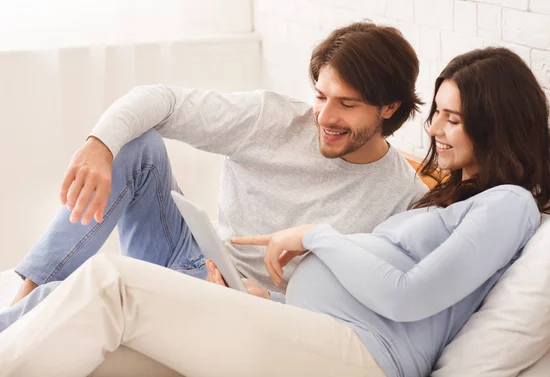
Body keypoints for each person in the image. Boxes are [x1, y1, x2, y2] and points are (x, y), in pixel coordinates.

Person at [0, 47, 550, 377]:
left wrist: (316, 236)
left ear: (498, 123)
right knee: (108, 349)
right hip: (299, 323)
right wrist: (269, 299)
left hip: (359, 357)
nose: (433, 130)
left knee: (112, 283)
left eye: (452, 119)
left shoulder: (507, 204)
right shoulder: (451, 201)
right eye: (436, 114)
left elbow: (406, 296)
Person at [4, 20, 427, 319]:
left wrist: (268, 304)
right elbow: (162, 100)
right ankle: (26, 297)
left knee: (83, 298)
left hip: (252, 304)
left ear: (389, 107)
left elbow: (372, 302)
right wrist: (99, 144)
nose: (325, 116)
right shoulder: (272, 118)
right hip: (192, 255)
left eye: (347, 105)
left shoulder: (402, 197)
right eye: (320, 96)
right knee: (136, 144)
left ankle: (22, 322)